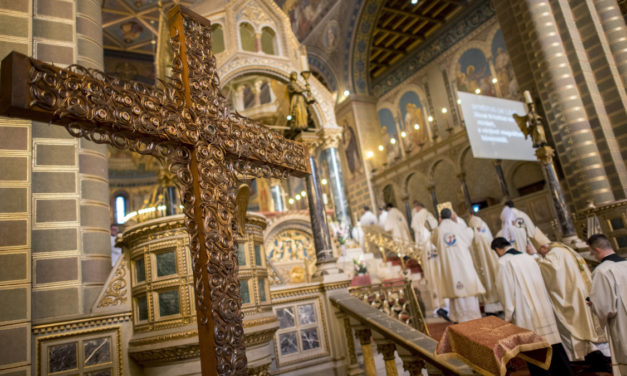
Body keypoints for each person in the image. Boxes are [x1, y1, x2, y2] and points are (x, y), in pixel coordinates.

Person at [491, 237, 574, 376]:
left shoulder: (504, 262)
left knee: (534, 349)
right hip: (544, 308)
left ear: (498, 250)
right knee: (553, 345)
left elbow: (505, 290)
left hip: (525, 312)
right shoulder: (529, 258)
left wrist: (508, 315)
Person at [534, 235, 611, 371]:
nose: (542, 254)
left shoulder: (555, 253)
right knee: (583, 327)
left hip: (571, 295)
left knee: (574, 327)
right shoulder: (564, 248)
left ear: (543, 247)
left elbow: (551, 271)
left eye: (540, 251)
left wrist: (536, 261)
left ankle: (592, 359)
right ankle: (594, 359)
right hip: (578, 291)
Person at [431, 208, 485, 322]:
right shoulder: (460, 227)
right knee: (467, 286)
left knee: (454, 289)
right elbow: (470, 236)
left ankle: (458, 317)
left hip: (449, 267)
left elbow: (433, 240)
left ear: (440, 218)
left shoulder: (437, 231)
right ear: (451, 216)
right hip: (463, 264)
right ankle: (472, 316)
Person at [587, 234, 627, 375]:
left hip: (622, 323)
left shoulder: (601, 271)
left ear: (597, 249)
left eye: (591, 252)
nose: (592, 255)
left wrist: (593, 304)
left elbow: (605, 307)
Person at [410, 201, 448, 318]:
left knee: (434, 280)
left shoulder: (428, 241)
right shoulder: (438, 236)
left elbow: (415, 227)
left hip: (431, 262)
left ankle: (440, 306)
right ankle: (443, 306)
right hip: (439, 266)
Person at [468, 213, 502, 315]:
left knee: (486, 281)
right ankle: (496, 306)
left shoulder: (472, 240)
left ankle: (490, 307)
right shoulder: (485, 237)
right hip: (488, 266)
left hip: (481, 268)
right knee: (490, 279)